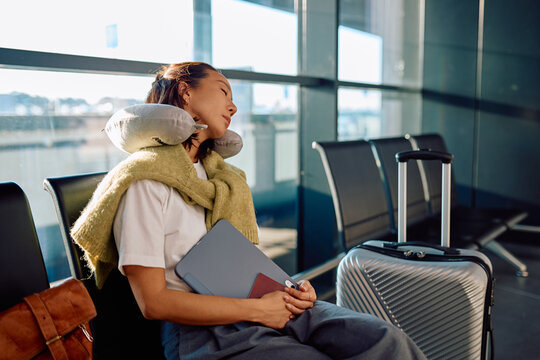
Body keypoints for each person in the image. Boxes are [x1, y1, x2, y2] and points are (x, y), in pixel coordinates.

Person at [72, 61, 426, 360]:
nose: (233, 106)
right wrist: (258, 311)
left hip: (260, 303)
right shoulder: (145, 181)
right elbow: (153, 302)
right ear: (185, 92)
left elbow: (245, 261)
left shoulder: (225, 180)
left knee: (387, 341)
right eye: (224, 91)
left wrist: (291, 290)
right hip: (202, 331)